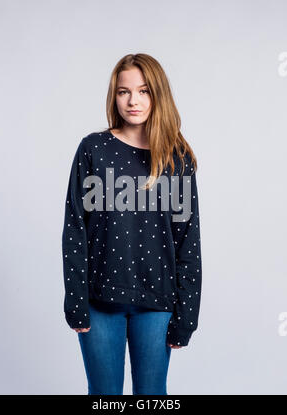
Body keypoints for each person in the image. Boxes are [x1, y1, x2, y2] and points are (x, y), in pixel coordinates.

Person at [61, 53, 202, 395]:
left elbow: (188, 241)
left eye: (143, 91)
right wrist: (75, 300)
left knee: (151, 394)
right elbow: (75, 230)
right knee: (104, 395)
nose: (133, 100)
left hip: (157, 303)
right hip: (99, 301)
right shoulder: (93, 149)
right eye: (124, 92)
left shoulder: (175, 157)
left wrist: (187, 316)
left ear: (158, 95)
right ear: (114, 96)